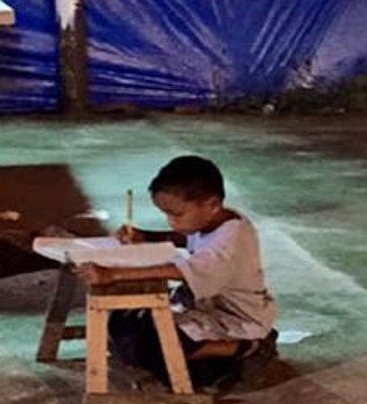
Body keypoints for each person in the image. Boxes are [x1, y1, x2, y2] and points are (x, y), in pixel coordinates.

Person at [76, 155, 278, 388]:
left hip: (237, 322)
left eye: (176, 214)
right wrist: (146, 235)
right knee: (124, 323)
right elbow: (186, 237)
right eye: (166, 214)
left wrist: (113, 274)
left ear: (212, 204)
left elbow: (179, 270)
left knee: (166, 355)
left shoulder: (229, 242)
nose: (171, 222)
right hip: (205, 310)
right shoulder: (214, 219)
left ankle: (248, 347)